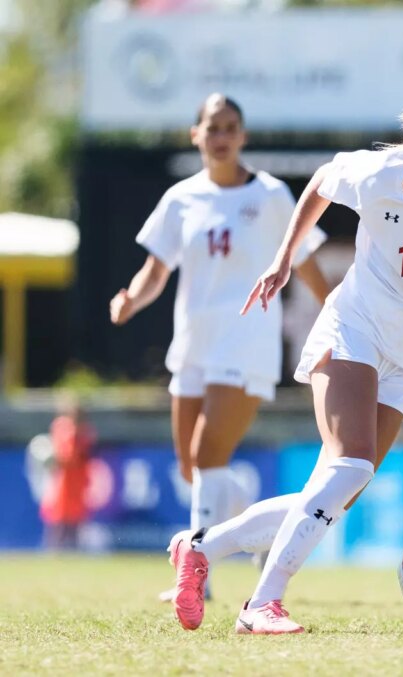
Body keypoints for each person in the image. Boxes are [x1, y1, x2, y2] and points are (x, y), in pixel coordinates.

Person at [163, 88, 403, 635]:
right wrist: (283, 260)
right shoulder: (384, 173)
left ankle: (202, 546)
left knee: (334, 496)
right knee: (349, 465)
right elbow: (322, 183)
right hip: (353, 328)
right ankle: (262, 604)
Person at [110, 93, 330, 599]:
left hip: (247, 341)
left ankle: (198, 572)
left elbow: (308, 264)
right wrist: (130, 300)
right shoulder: (181, 198)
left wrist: (341, 320)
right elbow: (155, 270)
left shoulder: (273, 196)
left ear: (243, 136)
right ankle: (254, 530)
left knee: (208, 454)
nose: (222, 136)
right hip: (193, 343)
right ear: (196, 135)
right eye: (213, 127)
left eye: (231, 127)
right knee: (191, 465)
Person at [39, 399, 96, 551]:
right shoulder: (61, 427)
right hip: (62, 482)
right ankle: (54, 551)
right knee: (58, 520)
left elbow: (73, 458)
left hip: (78, 482)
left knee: (75, 521)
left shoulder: (85, 433)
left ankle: (73, 551)